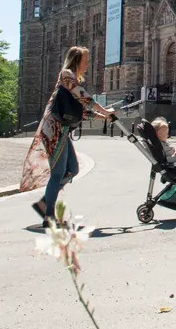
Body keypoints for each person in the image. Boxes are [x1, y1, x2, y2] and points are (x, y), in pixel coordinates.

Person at [20, 46, 115, 226]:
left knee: (73, 169)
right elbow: (82, 97)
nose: (87, 64)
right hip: (54, 130)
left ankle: (45, 202)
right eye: (85, 60)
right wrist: (103, 110)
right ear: (77, 60)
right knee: (58, 173)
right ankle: (48, 216)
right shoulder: (66, 75)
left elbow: (80, 109)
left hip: (62, 131)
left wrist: (104, 117)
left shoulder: (73, 82)